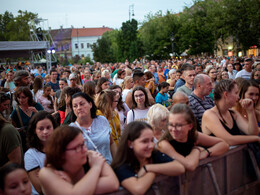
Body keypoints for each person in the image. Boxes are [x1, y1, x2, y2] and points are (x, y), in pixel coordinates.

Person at [39, 125, 119, 195]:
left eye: (83, 144)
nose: (85, 150)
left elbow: (113, 183)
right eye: (77, 147)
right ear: (61, 152)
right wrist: (96, 168)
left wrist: (76, 188)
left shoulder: (91, 156)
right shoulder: (47, 172)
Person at [111, 121, 185, 195]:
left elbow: (180, 167)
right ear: (130, 143)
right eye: (144, 141)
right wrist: (154, 172)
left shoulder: (153, 154)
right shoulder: (122, 166)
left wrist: (148, 168)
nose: (151, 145)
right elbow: (138, 189)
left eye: (152, 140)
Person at [157, 104, 229, 171]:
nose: (174, 129)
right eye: (170, 125)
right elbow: (190, 165)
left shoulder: (193, 135)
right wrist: (196, 150)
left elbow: (224, 144)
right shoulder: (164, 144)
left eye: (178, 125)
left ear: (190, 126)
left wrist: (206, 152)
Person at [202, 79, 260, 145]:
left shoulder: (233, 113)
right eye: (236, 93)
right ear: (226, 94)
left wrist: (250, 111)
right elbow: (228, 140)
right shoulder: (209, 114)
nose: (238, 97)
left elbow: (253, 133)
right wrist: (256, 138)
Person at [69, 92, 116, 164]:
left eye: (82, 104)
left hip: (110, 167)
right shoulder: (71, 129)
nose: (79, 108)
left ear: (90, 104)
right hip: (89, 172)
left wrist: (117, 163)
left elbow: (111, 143)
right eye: (75, 106)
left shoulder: (102, 120)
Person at [24, 111, 57, 195]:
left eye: (48, 127)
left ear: (54, 127)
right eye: (41, 128)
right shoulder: (30, 154)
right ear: (35, 130)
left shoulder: (61, 147)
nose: (45, 132)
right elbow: (40, 188)